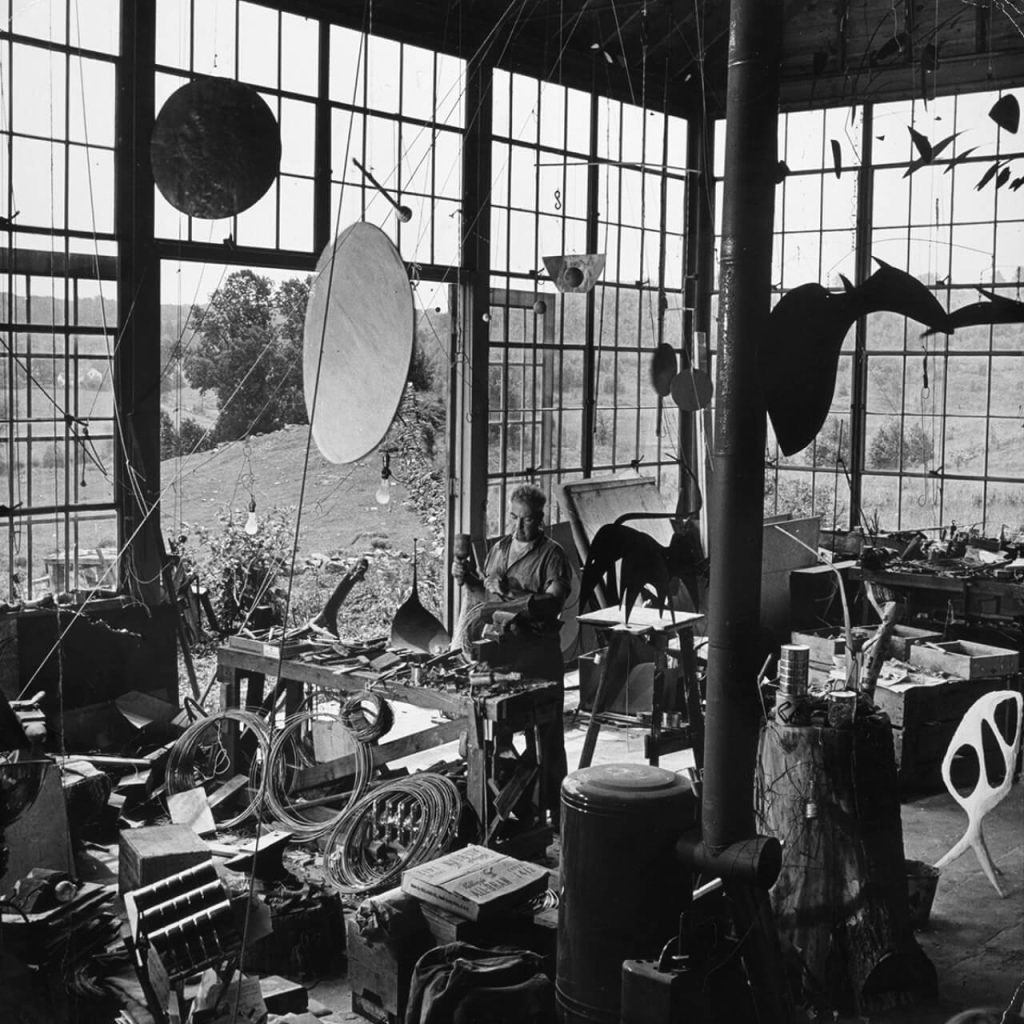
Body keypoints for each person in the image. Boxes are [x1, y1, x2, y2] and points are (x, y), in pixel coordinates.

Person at [451, 483, 572, 828]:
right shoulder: (501, 548)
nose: (519, 527)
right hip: (503, 655)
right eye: (514, 518)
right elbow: (484, 602)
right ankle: (503, 808)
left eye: (528, 520)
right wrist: (469, 581)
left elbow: (552, 603)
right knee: (496, 732)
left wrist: (513, 597)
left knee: (547, 737)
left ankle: (556, 816)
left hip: (538, 656)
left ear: (541, 520)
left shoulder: (552, 555)